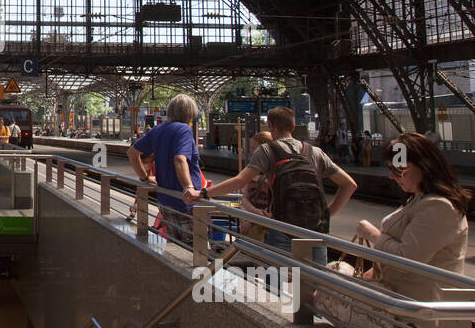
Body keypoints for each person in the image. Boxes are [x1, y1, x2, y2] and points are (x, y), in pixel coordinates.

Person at [356, 132, 470, 328]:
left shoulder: (439, 207)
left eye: (399, 170)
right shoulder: (418, 199)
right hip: (400, 313)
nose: (392, 176)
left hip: (421, 320)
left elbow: (407, 258)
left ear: (424, 166)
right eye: (391, 169)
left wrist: (373, 235)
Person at [191, 106, 357, 265]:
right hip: (315, 230)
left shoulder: (267, 150)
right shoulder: (315, 152)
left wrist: (204, 193)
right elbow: (349, 185)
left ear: (271, 126)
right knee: (316, 285)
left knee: (275, 283)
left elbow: (240, 181)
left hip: (281, 227)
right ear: (293, 126)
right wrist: (327, 213)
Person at [127, 94, 203, 240]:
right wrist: (189, 187)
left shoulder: (158, 129)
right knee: (195, 250)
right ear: (189, 113)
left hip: (165, 200)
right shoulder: (184, 130)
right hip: (185, 203)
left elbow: (132, 153)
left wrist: (145, 178)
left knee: (177, 245)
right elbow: (180, 160)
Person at [238, 130, 273, 241]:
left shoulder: (275, 171)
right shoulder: (251, 170)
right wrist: (253, 212)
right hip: (251, 221)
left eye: (254, 148)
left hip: (268, 226)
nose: (252, 152)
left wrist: (253, 220)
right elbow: (245, 197)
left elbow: (275, 205)